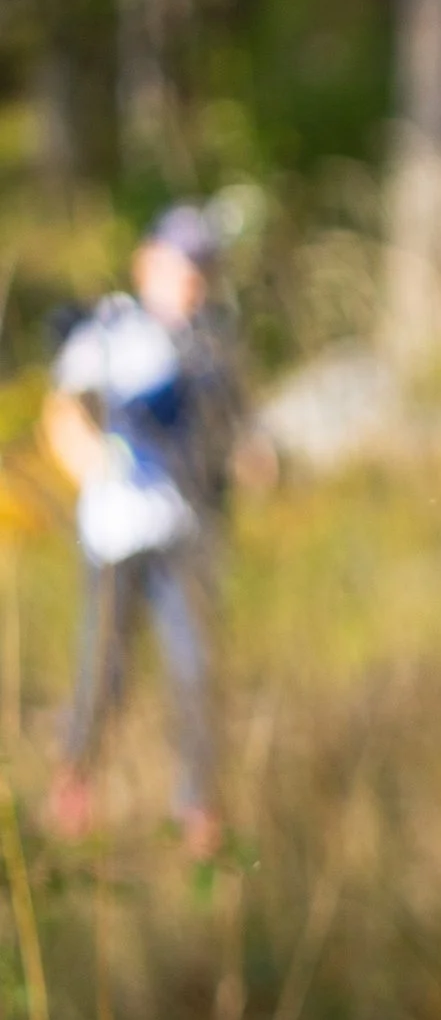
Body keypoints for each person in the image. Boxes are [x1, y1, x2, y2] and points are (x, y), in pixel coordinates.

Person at [43, 205, 247, 858]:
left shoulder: (213, 342)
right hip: (113, 533)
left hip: (183, 531)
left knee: (194, 666)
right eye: (181, 264)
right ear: (148, 263)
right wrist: (93, 465)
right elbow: (63, 411)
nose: (191, 279)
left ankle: (197, 808)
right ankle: (74, 783)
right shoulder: (110, 331)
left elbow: (234, 425)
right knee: (105, 667)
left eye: (200, 267)